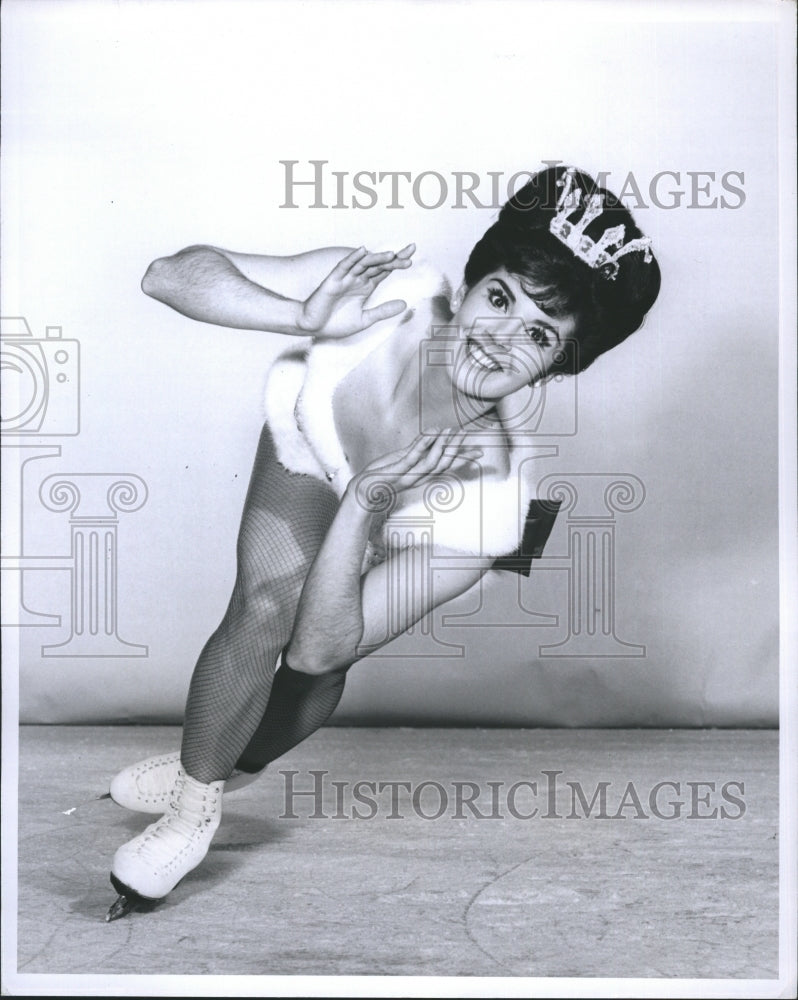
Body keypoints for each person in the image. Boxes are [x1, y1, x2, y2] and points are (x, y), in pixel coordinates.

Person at [105, 165, 661, 920]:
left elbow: (320, 652)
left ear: (560, 363)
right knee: (268, 598)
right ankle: (192, 809)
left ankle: (214, 765)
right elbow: (168, 276)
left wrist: (368, 503)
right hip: (313, 442)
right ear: (467, 285)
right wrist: (298, 315)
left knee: (305, 667)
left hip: (391, 515)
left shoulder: (489, 505)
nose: (498, 339)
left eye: (537, 333)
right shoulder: (389, 291)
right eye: (498, 297)